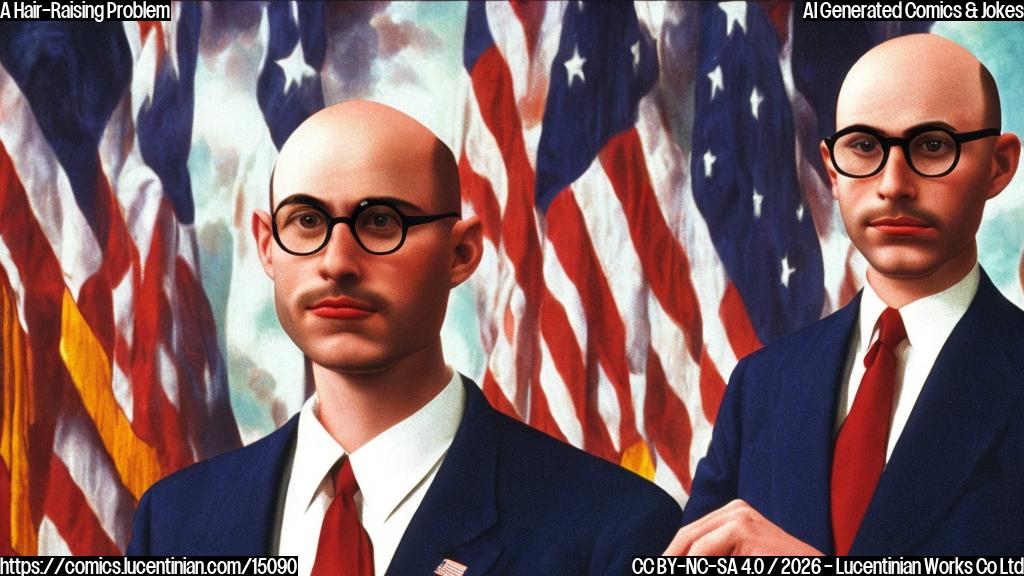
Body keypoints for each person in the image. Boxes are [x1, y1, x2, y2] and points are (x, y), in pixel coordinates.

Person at [127, 100, 682, 574]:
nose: (337, 262)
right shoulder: (174, 522)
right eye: (306, 221)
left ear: (460, 253)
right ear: (267, 245)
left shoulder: (614, 530)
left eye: (381, 222)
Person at [666, 33, 1024, 555]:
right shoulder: (761, 387)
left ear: (998, 165)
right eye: (864, 147)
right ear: (832, 171)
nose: (893, 184)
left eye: (932, 145)